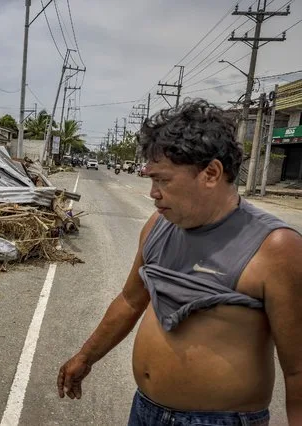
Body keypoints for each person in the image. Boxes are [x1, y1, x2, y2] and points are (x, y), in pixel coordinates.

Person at [57, 99, 302, 425]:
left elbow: (298, 369)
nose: (153, 193)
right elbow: (130, 301)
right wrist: (86, 356)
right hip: (145, 411)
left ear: (211, 173)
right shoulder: (158, 228)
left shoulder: (276, 248)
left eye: (164, 180)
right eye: (151, 180)